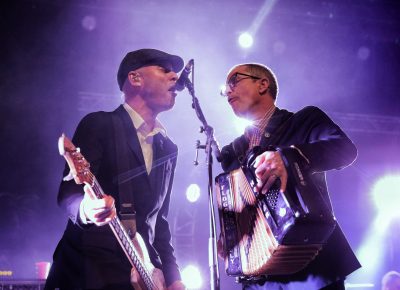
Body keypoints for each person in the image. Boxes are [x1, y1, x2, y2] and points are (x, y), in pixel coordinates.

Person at [45, 48, 186, 289]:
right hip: (89, 270)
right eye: (164, 70)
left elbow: (159, 223)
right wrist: (88, 209)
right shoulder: (99, 124)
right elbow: (68, 193)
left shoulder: (168, 147)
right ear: (135, 78)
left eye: (175, 72)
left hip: (141, 276)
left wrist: (174, 279)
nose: (175, 77)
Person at [218, 63, 361, 290]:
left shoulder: (304, 120)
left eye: (234, 81)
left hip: (313, 268)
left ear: (263, 84)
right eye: (224, 88)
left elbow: (345, 150)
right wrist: (231, 237)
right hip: (261, 280)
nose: (227, 91)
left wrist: (289, 157)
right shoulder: (233, 152)